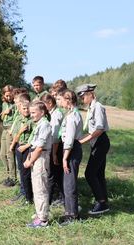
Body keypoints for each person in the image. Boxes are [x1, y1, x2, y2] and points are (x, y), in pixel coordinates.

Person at [77, 84, 111, 215]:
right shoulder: (91, 108)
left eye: (84, 95)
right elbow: (92, 130)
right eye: (81, 96)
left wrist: (83, 141)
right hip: (96, 142)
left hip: (101, 142)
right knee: (98, 174)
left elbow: (99, 129)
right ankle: (104, 202)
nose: (82, 98)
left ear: (91, 94)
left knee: (89, 173)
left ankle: (101, 202)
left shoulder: (97, 107)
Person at [24, 101, 52, 228]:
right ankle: (39, 213)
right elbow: (34, 145)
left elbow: (40, 148)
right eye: (30, 112)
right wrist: (29, 158)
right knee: (36, 187)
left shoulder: (45, 125)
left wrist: (30, 161)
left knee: (40, 188)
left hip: (40, 158)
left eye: (34, 112)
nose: (31, 115)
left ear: (42, 112)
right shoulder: (39, 124)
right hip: (36, 157)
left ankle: (43, 220)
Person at [60, 89, 83, 225]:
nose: (60, 102)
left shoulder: (72, 117)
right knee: (67, 183)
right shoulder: (73, 113)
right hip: (72, 149)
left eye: (62, 100)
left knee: (70, 184)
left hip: (71, 150)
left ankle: (73, 215)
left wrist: (64, 158)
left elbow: (69, 139)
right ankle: (69, 212)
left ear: (68, 100)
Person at [41, 93, 64, 206]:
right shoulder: (52, 113)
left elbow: (55, 137)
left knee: (51, 175)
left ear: (50, 103)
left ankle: (47, 202)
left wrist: (54, 154)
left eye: (44, 105)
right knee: (57, 175)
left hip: (56, 148)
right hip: (54, 147)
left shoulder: (56, 115)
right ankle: (64, 199)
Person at [9, 97, 34, 204]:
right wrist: (13, 145)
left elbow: (35, 137)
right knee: (22, 172)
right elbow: (15, 135)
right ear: (20, 109)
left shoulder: (33, 120)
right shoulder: (19, 119)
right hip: (19, 146)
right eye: (24, 108)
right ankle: (25, 194)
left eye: (28, 108)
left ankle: (29, 197)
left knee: (27, 173)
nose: (26, 111)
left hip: (28, 148)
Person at [0, 85, 16, 187]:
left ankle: (13, 178)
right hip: (4, 128)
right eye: (7, 96)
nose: (9, 98)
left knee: (10, 154)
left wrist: (12, 130)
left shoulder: (15, 104)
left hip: (11, 129)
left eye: (10, 95)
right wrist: (4, 112)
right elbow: (1, 117)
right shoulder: (4, 103)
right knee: (2, 155)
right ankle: (8, 175)